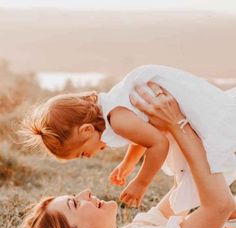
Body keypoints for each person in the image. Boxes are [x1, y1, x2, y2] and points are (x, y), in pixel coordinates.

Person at [1, 84, 236, 228]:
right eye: (74, 203)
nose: (85, 192)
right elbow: (218, 206)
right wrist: (178, 125)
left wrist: (172, 122)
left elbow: (186, 190)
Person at [22, 65, 236, 217]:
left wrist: (141, 183)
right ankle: (225, 213)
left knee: (199, 171)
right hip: (176, 118)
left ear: (86, 130)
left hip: (190, 115)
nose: (88, 156)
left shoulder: (117, 119)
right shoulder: (116, 116)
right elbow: (141, 137)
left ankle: (224, 213)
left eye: (82, 153)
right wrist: (127, 164)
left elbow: (159, 144)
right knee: (194, 175)